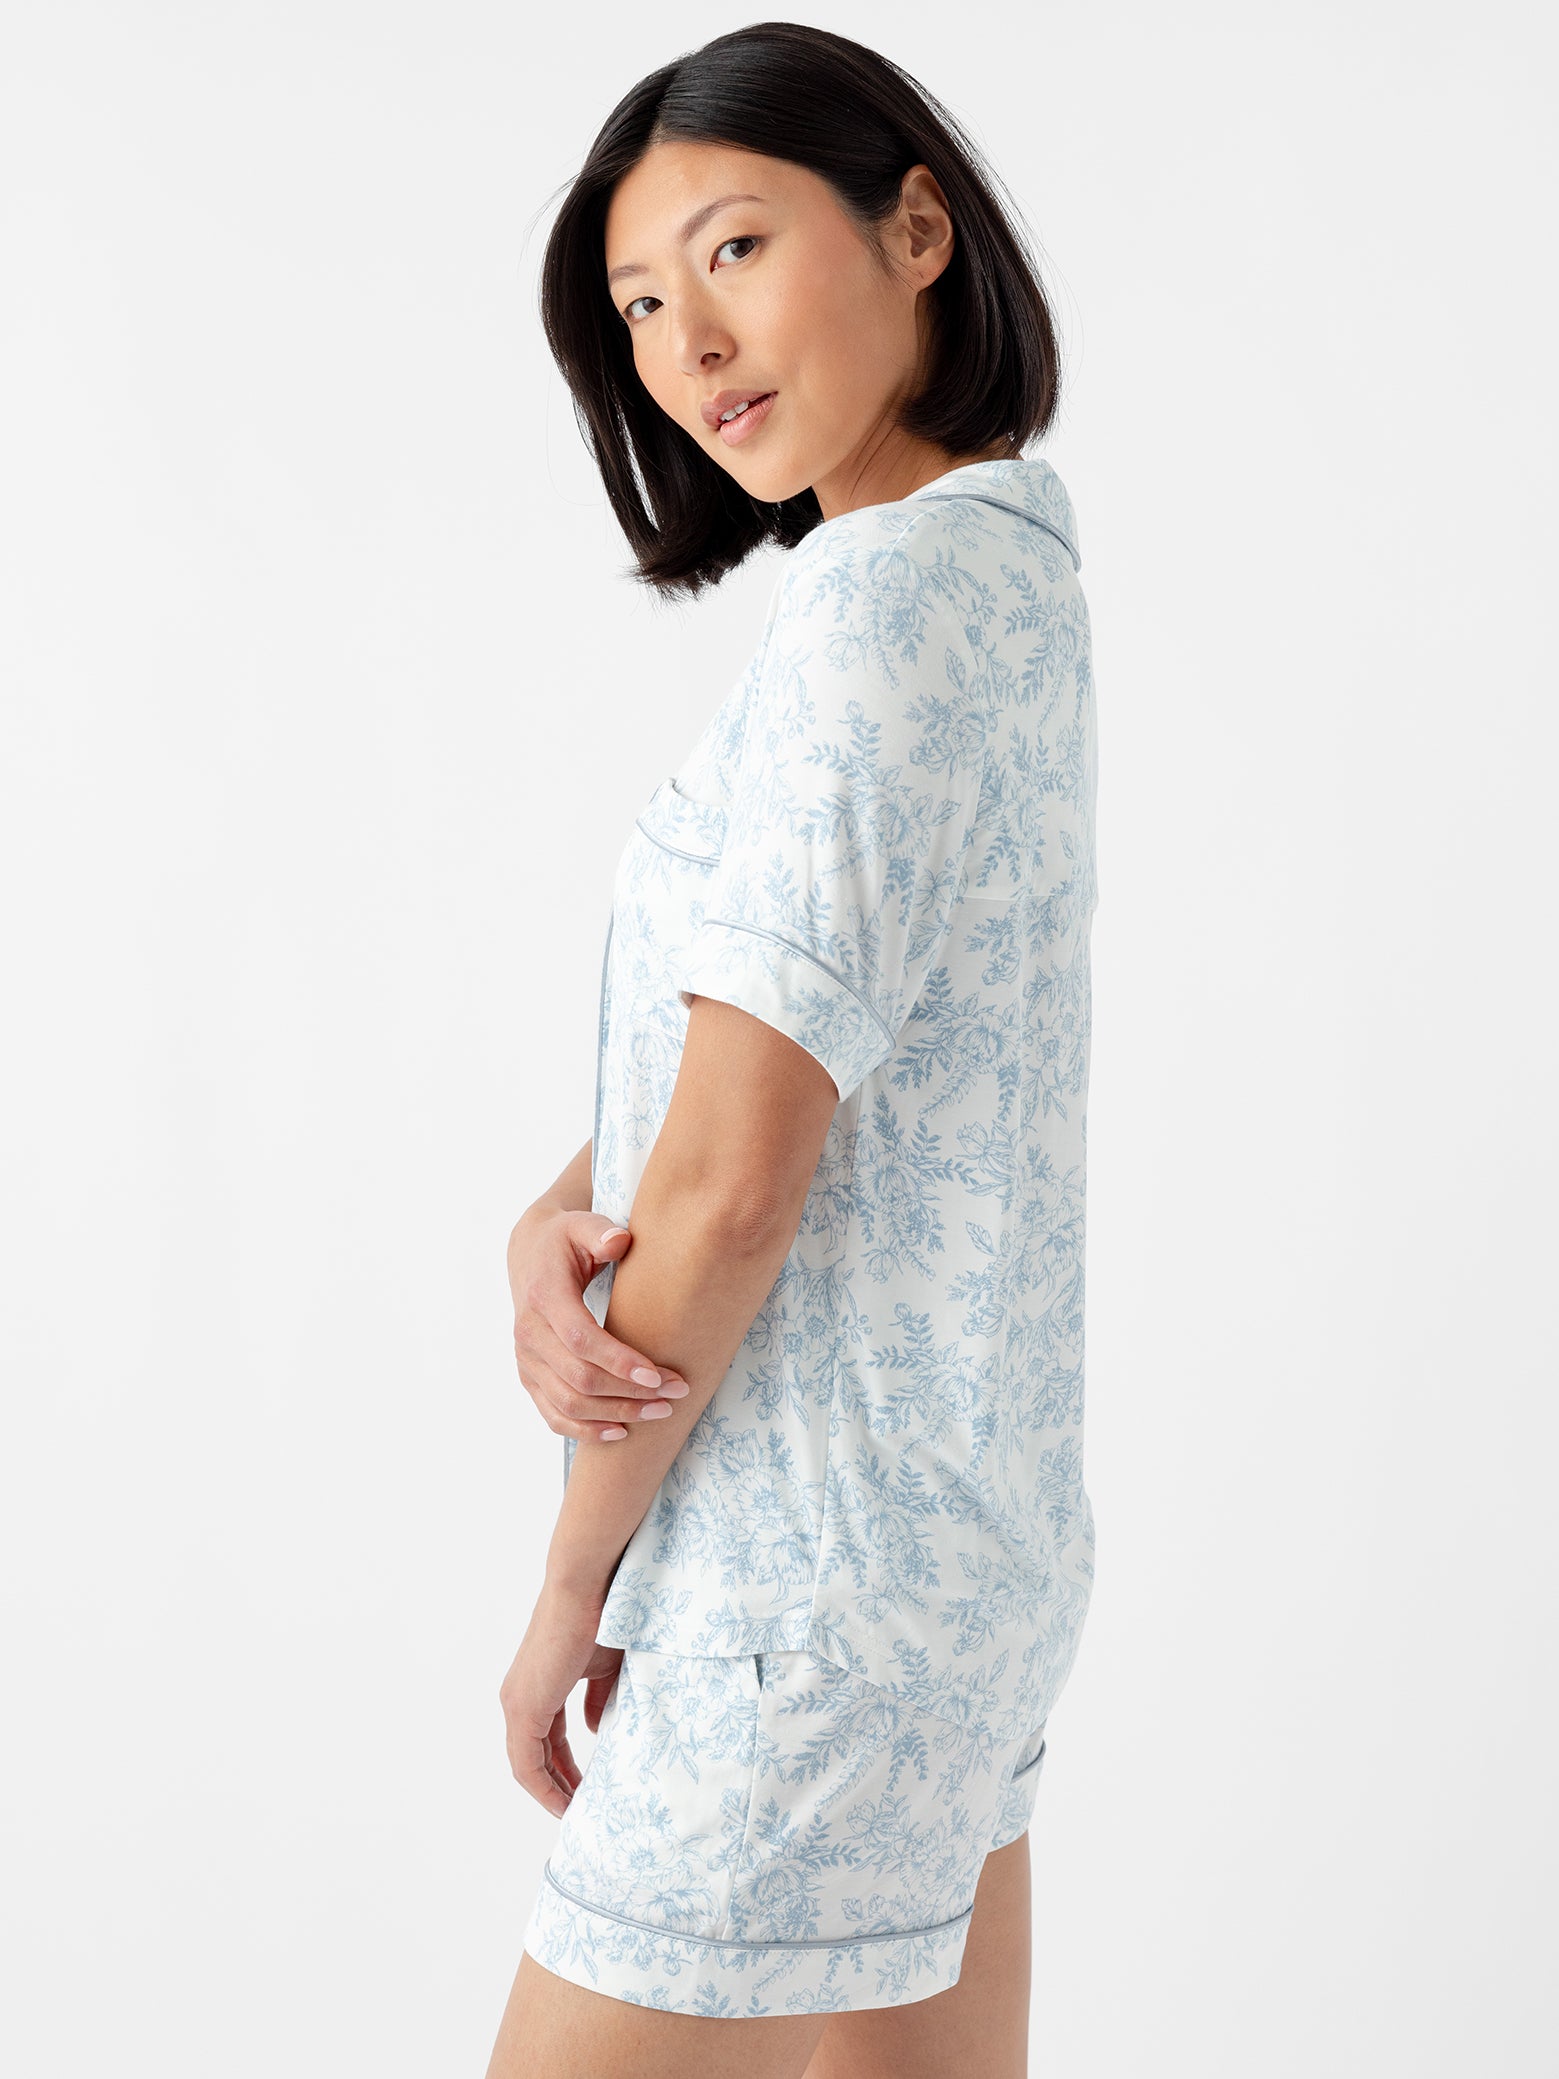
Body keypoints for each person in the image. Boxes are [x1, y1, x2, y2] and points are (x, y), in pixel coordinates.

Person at [484, 24, 1099, 2078]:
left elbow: (740, 1178)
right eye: (642, 304)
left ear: (917, 225)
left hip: (787, 1616)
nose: (689, 341)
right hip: (957, 1568)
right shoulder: (1010, 576)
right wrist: (548, 1219)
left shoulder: (876, 616)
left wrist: (578, 1581)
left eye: (736, 249)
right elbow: (841, 1068)